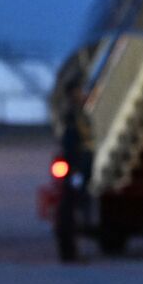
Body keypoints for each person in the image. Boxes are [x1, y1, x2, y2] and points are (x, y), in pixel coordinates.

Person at [57, 80, 94, 263]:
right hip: (75, 168)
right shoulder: (72, 116)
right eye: (79, 91)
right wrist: (75, 170)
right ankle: (69, 251)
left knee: (73, 209)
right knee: (69, 210)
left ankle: (71, 250)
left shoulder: (80, 115)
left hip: (80, 168)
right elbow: (72, 145)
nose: (82, 94)